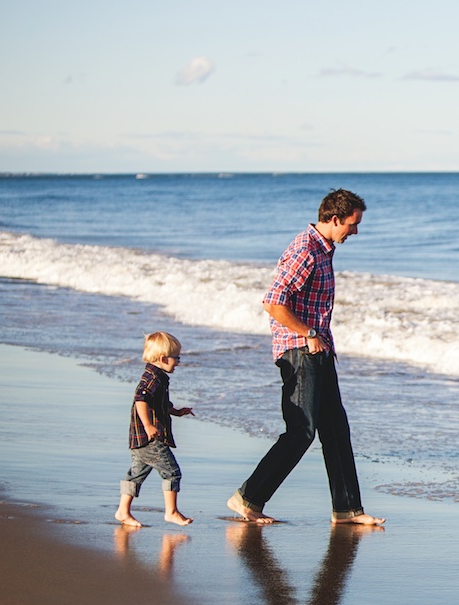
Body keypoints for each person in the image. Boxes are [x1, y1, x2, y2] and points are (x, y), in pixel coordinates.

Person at [227, 188, 385, 526]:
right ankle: (248, 498)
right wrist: (308, 333)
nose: (355, 231)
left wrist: (319, 339)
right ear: (334, 219)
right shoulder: (305, 250)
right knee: (301, 431)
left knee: (336, 430)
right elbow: (272, 301)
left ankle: (347, 510)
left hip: (319, 349)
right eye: (352, 225)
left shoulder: (323, 249)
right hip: (300, 351)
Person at [116, 331, 194, 527]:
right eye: (176, 358)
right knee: (172, 472)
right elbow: (141, 400)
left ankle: (123, 511)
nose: (178, 362)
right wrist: (149, 425)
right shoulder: (153, 378)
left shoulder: (156, 376)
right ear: (163, 358)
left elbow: (158, 403)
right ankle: (171, 512)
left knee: (136, 473)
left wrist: (176, 411)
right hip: (150, 438)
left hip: (139, 438)